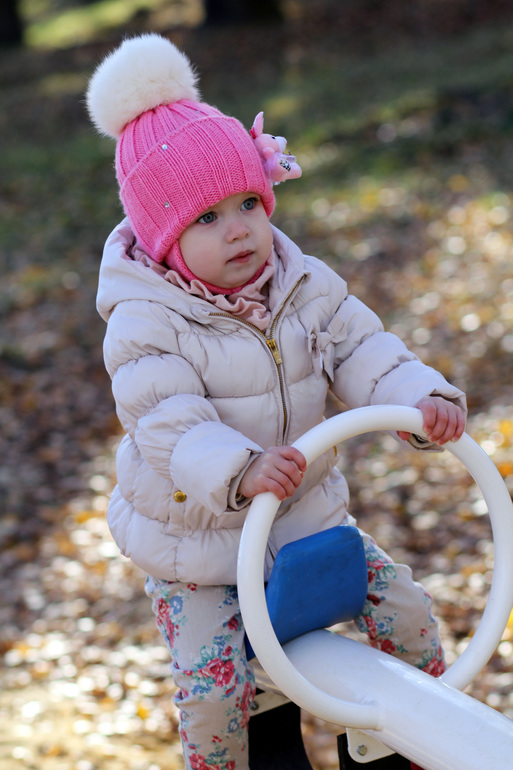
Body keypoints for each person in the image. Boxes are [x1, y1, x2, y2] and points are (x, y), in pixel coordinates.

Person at [87, 34, 466, 770]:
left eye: (246, 204)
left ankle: (409, 744)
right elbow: (167, 421)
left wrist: (419, 399)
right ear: (162, 239)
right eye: (205, 219)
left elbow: (363, 349)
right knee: (214, 694)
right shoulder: (145, 323)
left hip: (304, 523)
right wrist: (237, 468)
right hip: (203, 550)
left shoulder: (303, 283)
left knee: (408, 614)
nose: (238, 230)